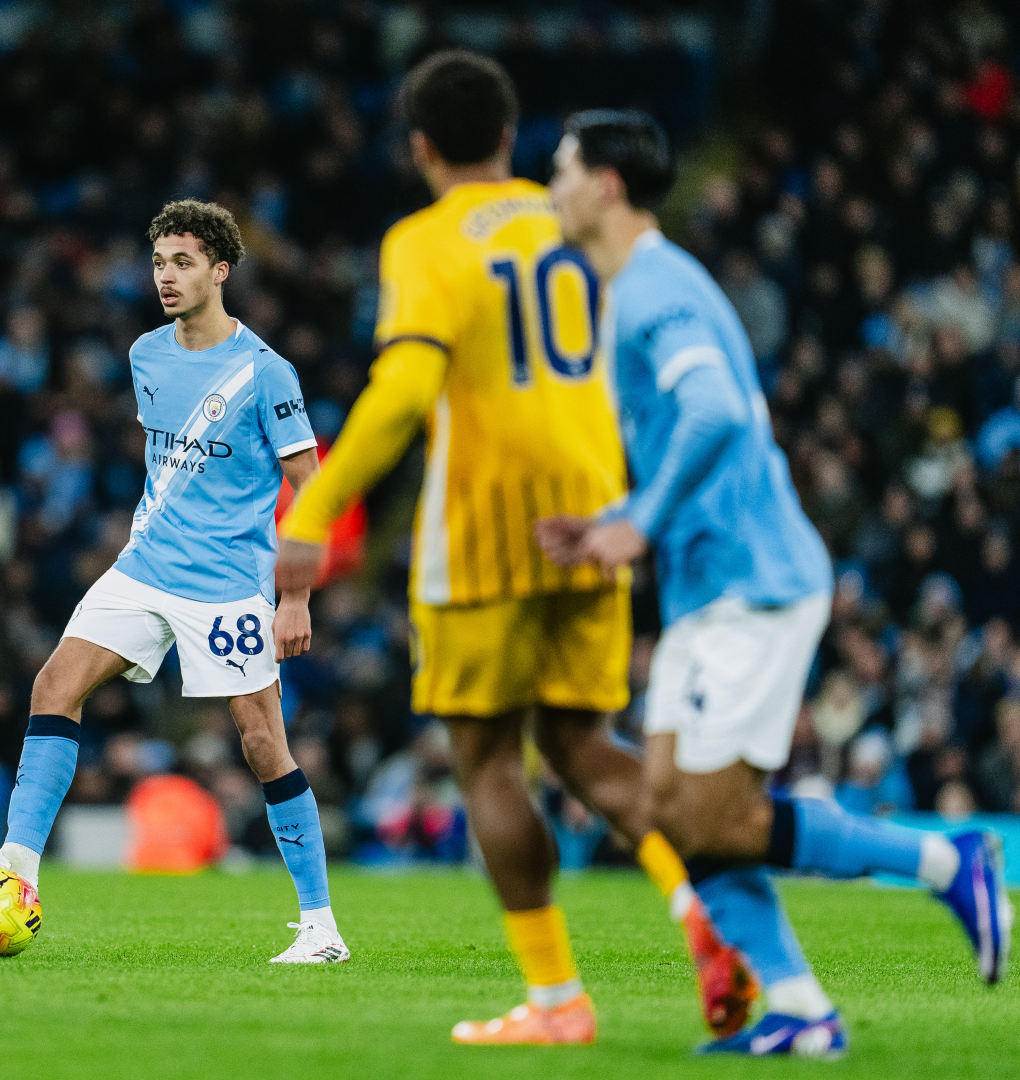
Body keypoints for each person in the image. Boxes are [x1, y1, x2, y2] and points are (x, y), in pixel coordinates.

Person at [274, 50, 750, 1046]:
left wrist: (311, 521)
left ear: (418, 148)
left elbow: (405, 391)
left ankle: (556, 1000)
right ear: (509, 134)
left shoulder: (425, 240)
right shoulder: (570, 214)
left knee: (489, 762)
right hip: (593, 515)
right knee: (585, 745)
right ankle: (705, 913)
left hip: (486, 530)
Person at [537, 109, 1010, 1059]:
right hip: (712, 584)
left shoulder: (653, 288)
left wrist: (639, 520)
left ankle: (941, 860)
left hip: (751, 582)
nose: (551, 188)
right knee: (678, 812)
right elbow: (704, 429)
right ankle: (799, 1010)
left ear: (608, 185)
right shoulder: (644, 285)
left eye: (561, 169)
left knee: (716, 815)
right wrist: (620, 515)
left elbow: (712, 412)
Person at [0, 200, 347, 964]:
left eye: (183, 263)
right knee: (54, 685)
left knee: (261, 743)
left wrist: (294, 597)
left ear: (220, 270)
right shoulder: (146, 354)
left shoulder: (265, 371)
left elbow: (310, 489)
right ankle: (15, 873)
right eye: (157, 263)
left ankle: (321, 926)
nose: (166, 277)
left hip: (227, 586)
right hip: (144, 568)